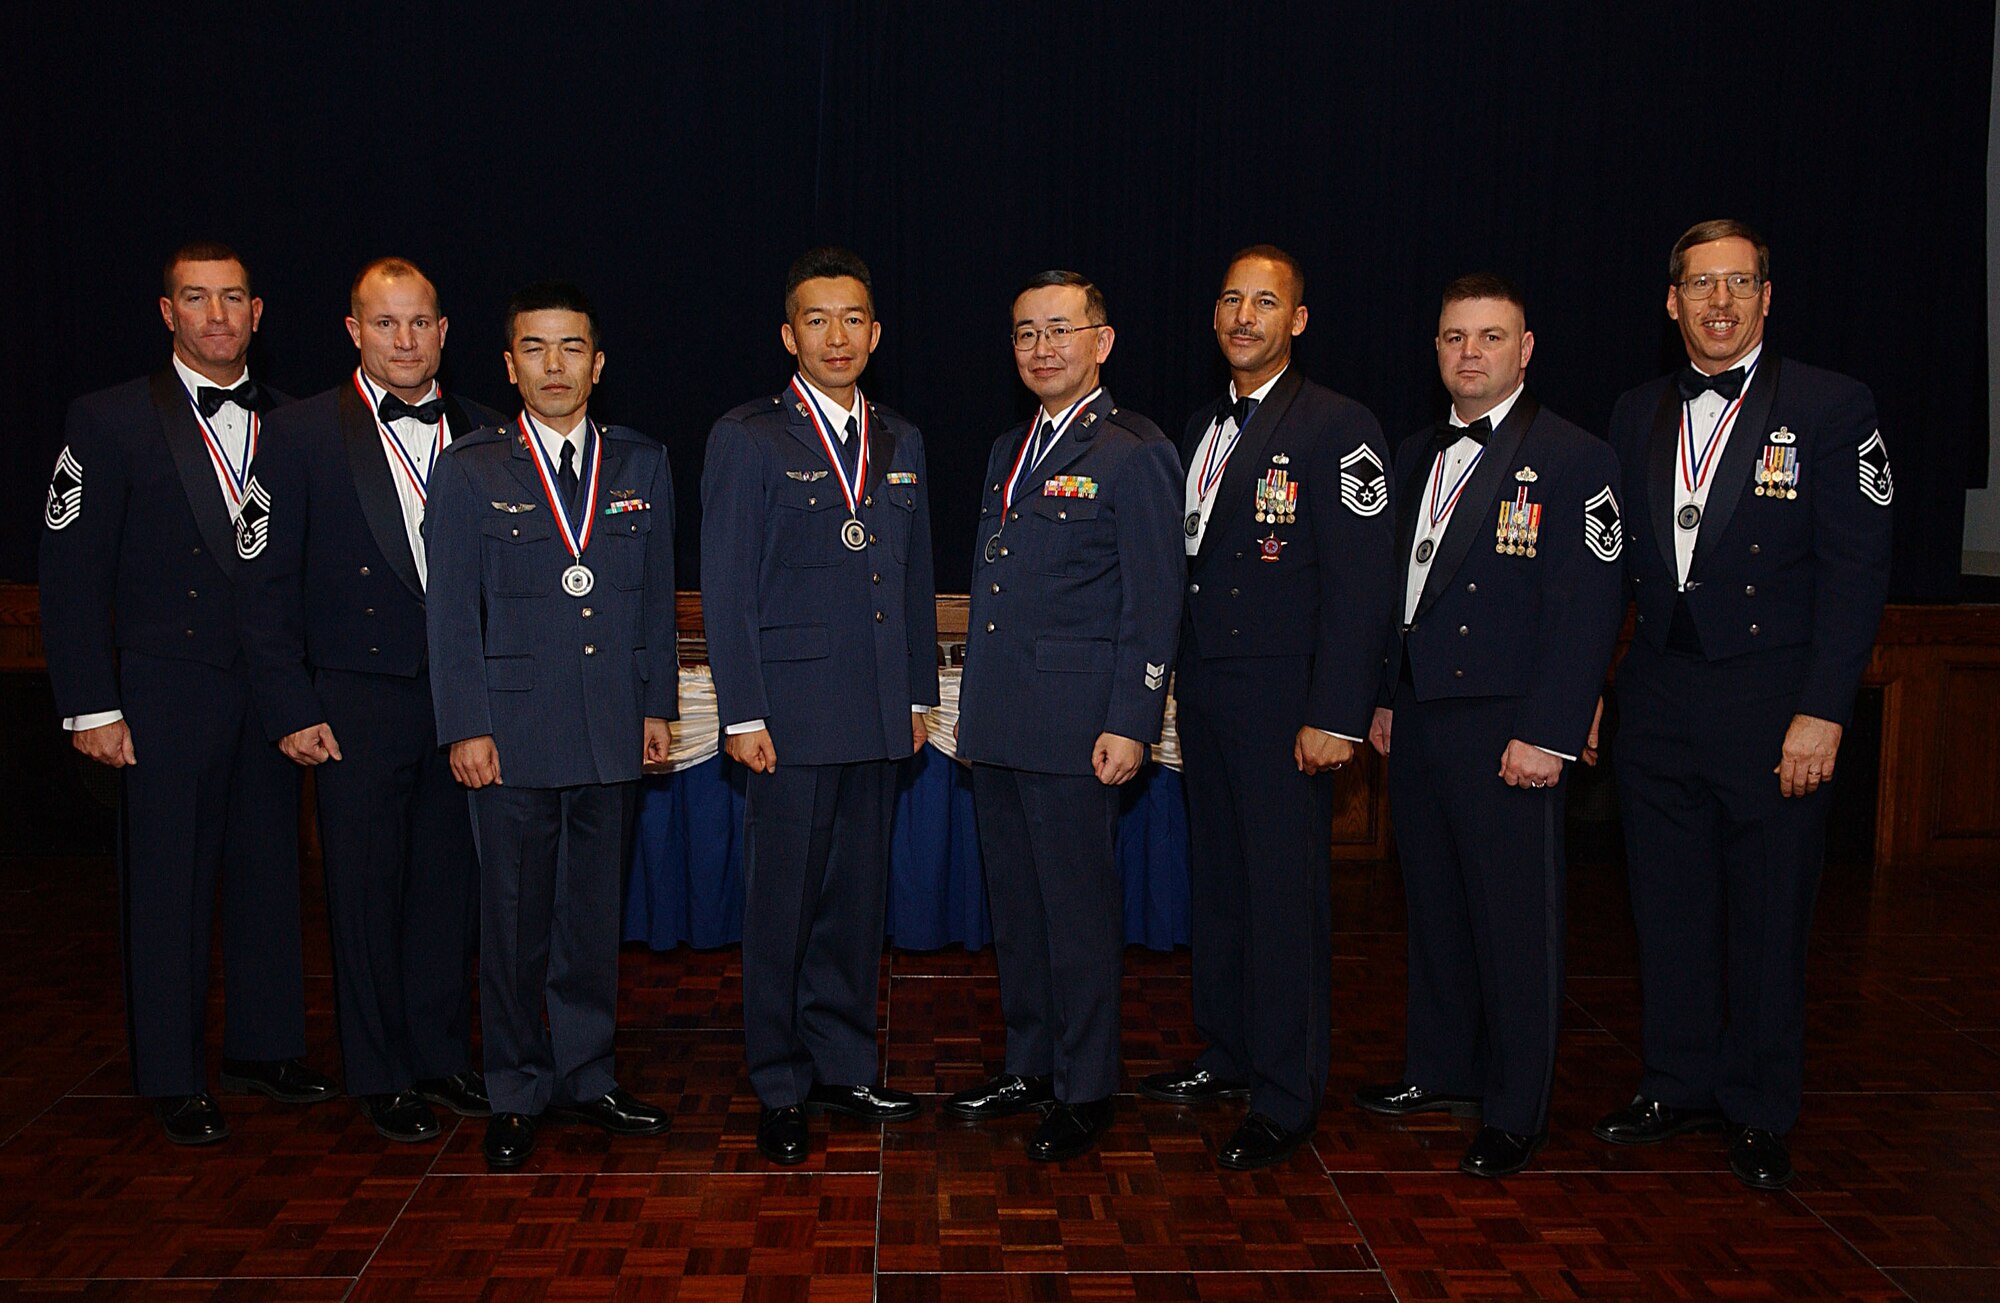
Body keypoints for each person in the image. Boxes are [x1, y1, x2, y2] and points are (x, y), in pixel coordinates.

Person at [1593, 220, 1893, 1190]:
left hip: (1773, 707)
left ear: (1765, 296)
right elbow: (1608, 576)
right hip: (1655, 699)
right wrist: (1591, 691)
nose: (1717, 303)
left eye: (1736, 284)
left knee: (1768, 919)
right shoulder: (1633, 409)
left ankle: (1758, 1106)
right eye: (1697, 285)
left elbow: (1856, 573)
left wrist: (1824, 711)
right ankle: (1673, 1080)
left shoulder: (1832, 407)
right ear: (1669, 301)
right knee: (1665, 909)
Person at [39, 241, 334, 1144]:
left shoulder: (294, 422)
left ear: (257, 313)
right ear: (168, 313)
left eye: (233, 298)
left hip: (269, 691)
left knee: (268, 872)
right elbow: (71, 569)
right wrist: (92, 704)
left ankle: (265, 1046)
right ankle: (170, 1070)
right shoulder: (108, 420)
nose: (217, 315)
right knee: (167, 884)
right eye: (197, 299)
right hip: (163, 693)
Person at [1356, 274, 1625, 1177]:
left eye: (1489, 337)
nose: (1469, 353)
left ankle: (1517, 1107)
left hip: (1510, 725)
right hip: (1424, 718)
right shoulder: (1410, 452)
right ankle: (1440, 1067)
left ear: (1526, 346)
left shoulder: (1575, 457)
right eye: (1453, 337)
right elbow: (1405, 592)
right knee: (1434, 909)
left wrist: (1550, 731)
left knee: (1515, 924)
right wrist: (1387, 697)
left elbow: (1588, 606)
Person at [1139, 245, 1396, 1169]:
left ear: (1297, 319)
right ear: (1215, 318)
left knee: (1285, 902)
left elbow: (1364, 586)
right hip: (1207, 697)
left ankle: (1287, 1092)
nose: (1245, 316)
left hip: (1289, 708)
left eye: (1266, 302)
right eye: (1231, 301)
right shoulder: (1200, 426)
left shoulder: (1341, 427)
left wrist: (1336, 710)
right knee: (1223, 887)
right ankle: (1229, 1051)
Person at [237, 257, 498, 1142]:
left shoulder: (489, 432)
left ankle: (439, 1055)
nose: (405, 341)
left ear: (444, 330)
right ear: (353, 330)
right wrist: (290, 705)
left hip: (464, 703)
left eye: (420, 322)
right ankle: (380, 1072)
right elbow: (262, 588)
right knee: (363, 892)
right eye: (385, 324)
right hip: (352, 704)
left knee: (445, 891)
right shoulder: (301, 433)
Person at [426, 281, 678, 1169]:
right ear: (508, 364)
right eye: (535, 349)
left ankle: (590, 1074)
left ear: (598, 364)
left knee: (589, 914)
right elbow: (451, 612)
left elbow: (652, 602)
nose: (554, 366)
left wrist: (657, 707)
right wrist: (465, 724)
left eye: (572, 348)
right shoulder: (470, 467)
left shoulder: (642, 463)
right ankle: (516, 1088)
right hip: (511, 735)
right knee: (513, 919)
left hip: (612, 726)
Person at [700, 247, 938, 1165]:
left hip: (879, 711)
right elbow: (726, 586)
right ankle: (780, 1080)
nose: (835, 336)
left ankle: (843, 1062)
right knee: (782, 905)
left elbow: (912, 580)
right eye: (816, 319)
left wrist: (918, 692)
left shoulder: (903, 437)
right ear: (788, 333)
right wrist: (743, 712)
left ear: (874, 335)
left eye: (852, 321)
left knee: (852, 899)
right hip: (788, 718)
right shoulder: (748, 435)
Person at [949, 270, 1184, 1161]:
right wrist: (975, 718)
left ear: (1102, 340)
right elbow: (996, 592)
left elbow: (1154, 602)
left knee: (1078, 916)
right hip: (1005, 722)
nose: (1042, 347)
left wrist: (1135, 717)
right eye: (1025, 333)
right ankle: (1030, 1061)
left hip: (1082, 727)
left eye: (1060, 329)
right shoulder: (1011, 446)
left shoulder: (1134, 449)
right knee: (1018, 907)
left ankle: (1085, 1087)